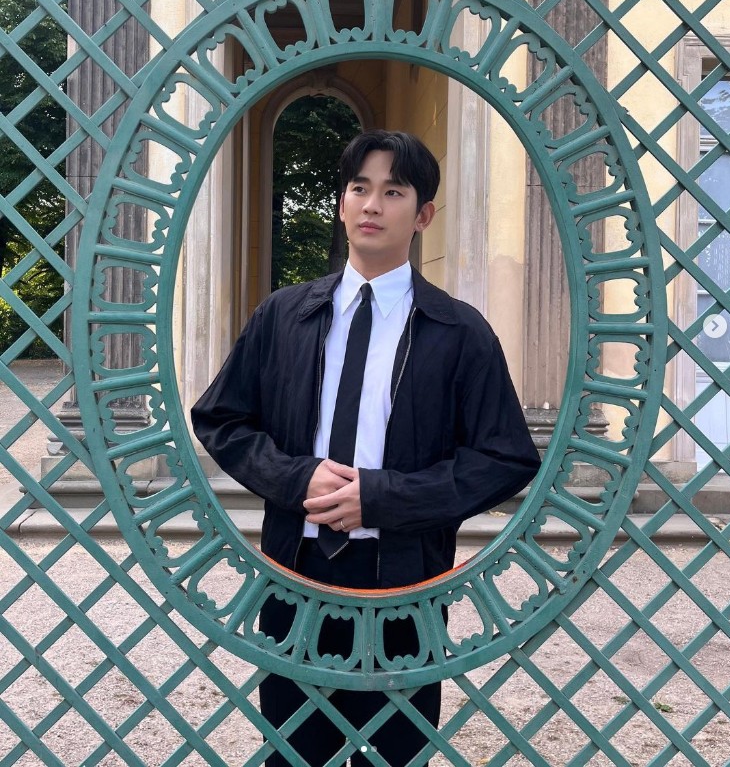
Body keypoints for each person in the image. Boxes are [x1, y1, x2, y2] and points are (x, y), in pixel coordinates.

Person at [191, 129, 540, 767]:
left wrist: (382, 499)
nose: (372, 205)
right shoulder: (283, 316)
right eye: (359, 188)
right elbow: (221, 419)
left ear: (423, 215)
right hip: (296, 576)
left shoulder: (460, 332)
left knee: (395, 753)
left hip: (405, 585)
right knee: (294, 751)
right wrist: (295, 478)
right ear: (342, 203)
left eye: (393, 191)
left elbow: (506, 458)